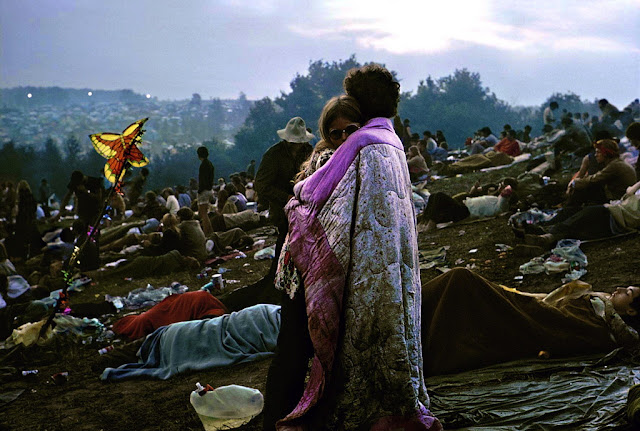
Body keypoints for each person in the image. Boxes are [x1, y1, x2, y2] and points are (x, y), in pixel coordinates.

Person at [265, 64, 441, 430]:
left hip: (332, 263)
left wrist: (296, 200)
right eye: (336, 132)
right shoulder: (388, 141)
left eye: (350, 128)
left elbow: (310, 194)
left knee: (303, 347)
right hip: (314, 265)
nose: (344, 136)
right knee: (294, 347)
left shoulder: (363, 143)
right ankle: (275, 416)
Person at [422, 268, 640, 376]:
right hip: (530, 310)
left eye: (627, 293)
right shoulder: (601, 307)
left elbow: (556, 327)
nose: (620, 288)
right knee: (460, 282)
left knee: (460, 281)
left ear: (630, 311)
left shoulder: (602, 328)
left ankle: (422, 337)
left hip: (526, 321)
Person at [254, 116, 314, 280]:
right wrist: (286, 197)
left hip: (304, 207)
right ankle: (279, 278)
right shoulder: (273, 155)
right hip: (282, 210)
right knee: (285, 244)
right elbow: (262, 185)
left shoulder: (308, 152)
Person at [524, 178, 640, 247]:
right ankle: (543, 229)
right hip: (615, 210)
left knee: (586, 214)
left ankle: (548, 236)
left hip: (619, 217)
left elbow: (629, 191)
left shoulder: (616, 165)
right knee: (571, 211)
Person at [565, 139, 636, 207]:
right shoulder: (616, 163)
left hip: (620, 201)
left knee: (584, 188)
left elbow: (594, 179)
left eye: (598, 152)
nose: (595, 155)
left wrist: (574, 182)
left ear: (606, 153)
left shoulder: (615, 165)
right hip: (621, 198)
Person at [196, 146, 215, 236]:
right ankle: (210, 230)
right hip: (210, 189)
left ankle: (206, 233)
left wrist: (199, 190)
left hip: (204, 190)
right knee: (204, 213)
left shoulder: (203, 165)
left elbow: (203, 180)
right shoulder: (210, 164)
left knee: (203, 214)